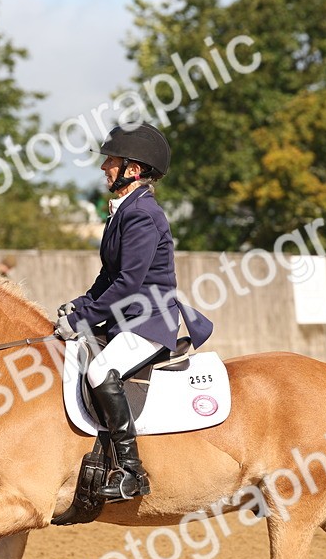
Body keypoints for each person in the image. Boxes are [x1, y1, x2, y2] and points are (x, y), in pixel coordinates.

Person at [54, 123, 213, 502]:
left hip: (149, 321)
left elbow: (127, 283)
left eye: (111, 161)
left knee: (98, 370)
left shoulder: (141, 213)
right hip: (126, 317)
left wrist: (81, 320)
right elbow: (107, 277)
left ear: (133, 170)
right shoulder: (122, 212)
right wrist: (79, 304)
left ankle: (131, 472)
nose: (104, 167)